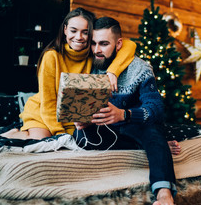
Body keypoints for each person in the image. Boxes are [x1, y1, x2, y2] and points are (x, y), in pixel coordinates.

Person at [73, 17, 177, 205]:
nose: (97, 50)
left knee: (153, 132)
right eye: (94, 43)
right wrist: (85, 119)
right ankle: (152, 147)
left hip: (135, 125)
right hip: (108, 128)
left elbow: (156, 109)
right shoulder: (91, 66)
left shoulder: (140, 68)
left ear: (118, 43)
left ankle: (164, 194)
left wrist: (124, 114)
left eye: (104, 44)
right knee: (79, 135)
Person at [1, 7, 136, 140]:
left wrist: (113, 71)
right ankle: (14, 133)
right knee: (41, 139)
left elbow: (129, 45)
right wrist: (60, 134)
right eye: (73, 30)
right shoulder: (52, 56)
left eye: (85, 32)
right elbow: (48, 102)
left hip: (72, 118)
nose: (79, 37)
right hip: (43, 111)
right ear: (65, 29)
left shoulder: (92, 53)